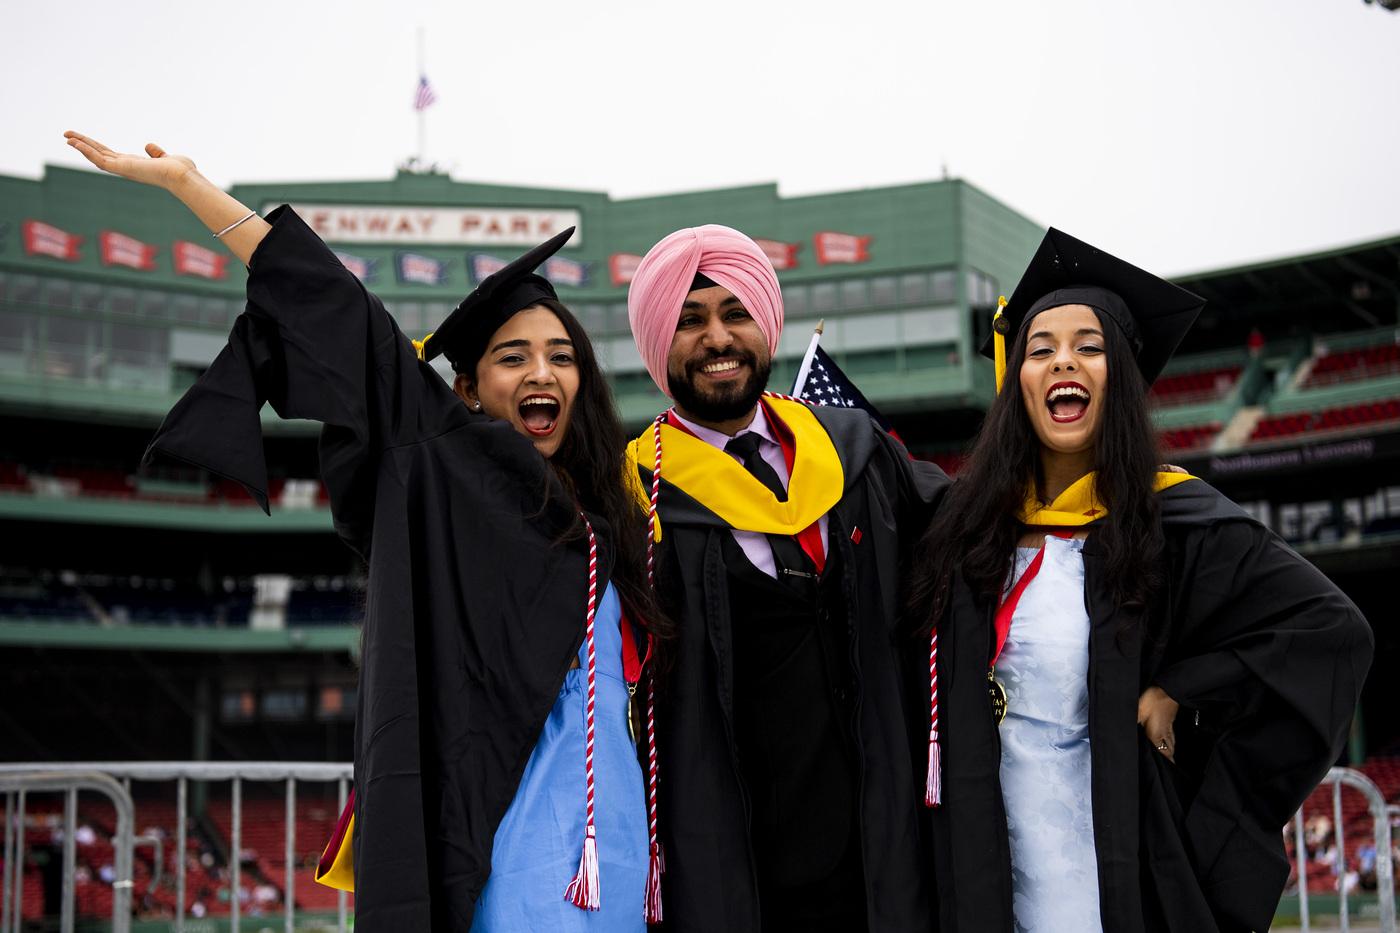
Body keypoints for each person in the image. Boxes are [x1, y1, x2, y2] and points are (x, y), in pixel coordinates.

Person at [63, 131, 669, 932]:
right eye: (512, 357)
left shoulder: (616, 509)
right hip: (512, 832)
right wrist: (193, 189)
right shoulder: (457, 476)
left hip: (616, 833)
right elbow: (344, 321)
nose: (541, 374)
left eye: (560, 356)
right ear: (471, 389)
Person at [906, 227, 1373, 932]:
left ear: (1119, 375)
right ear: (1018, 383)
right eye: (1040, 348)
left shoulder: (1172, 518)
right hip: (988, 877)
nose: (1064, 360)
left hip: (1113, 881)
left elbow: (1329, 630)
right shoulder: (968, 531)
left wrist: (1183, 686)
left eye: (1089, 346)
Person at [623, 224, 948, 932]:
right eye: (690, 319)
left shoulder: (854, 453)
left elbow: (969, 535)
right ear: (657, 343)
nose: (717, 338)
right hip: (734, 867)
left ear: (766, 325)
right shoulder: (634, 497)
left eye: (735, 312)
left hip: (877, 854)